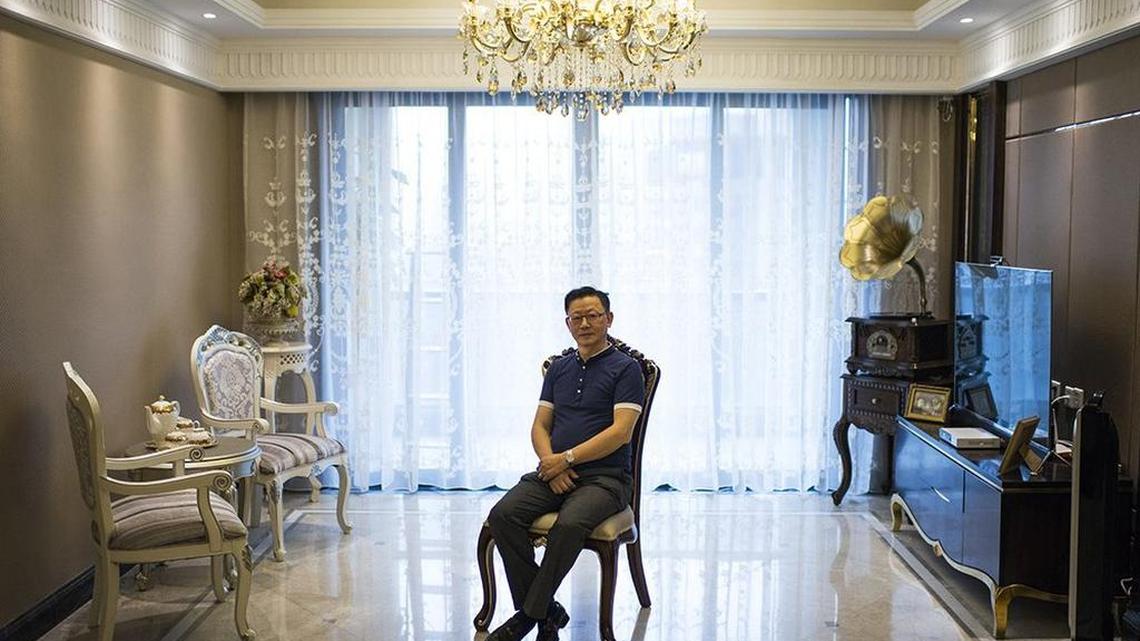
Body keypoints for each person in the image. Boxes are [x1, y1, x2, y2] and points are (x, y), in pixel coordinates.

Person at [485, 286, 645, 641]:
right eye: (577, 317)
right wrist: (550, 463)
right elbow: (540, 425)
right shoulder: (558, 368)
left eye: (593, 315)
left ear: (609, 319)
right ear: (568, 323)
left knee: (570, 524)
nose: (585, 323)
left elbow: (621, 433)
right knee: (503, 515)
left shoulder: (626, 369)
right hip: (553, 470)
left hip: (606, 479)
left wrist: (567, 459)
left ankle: (527, 617)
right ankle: (548, 611)